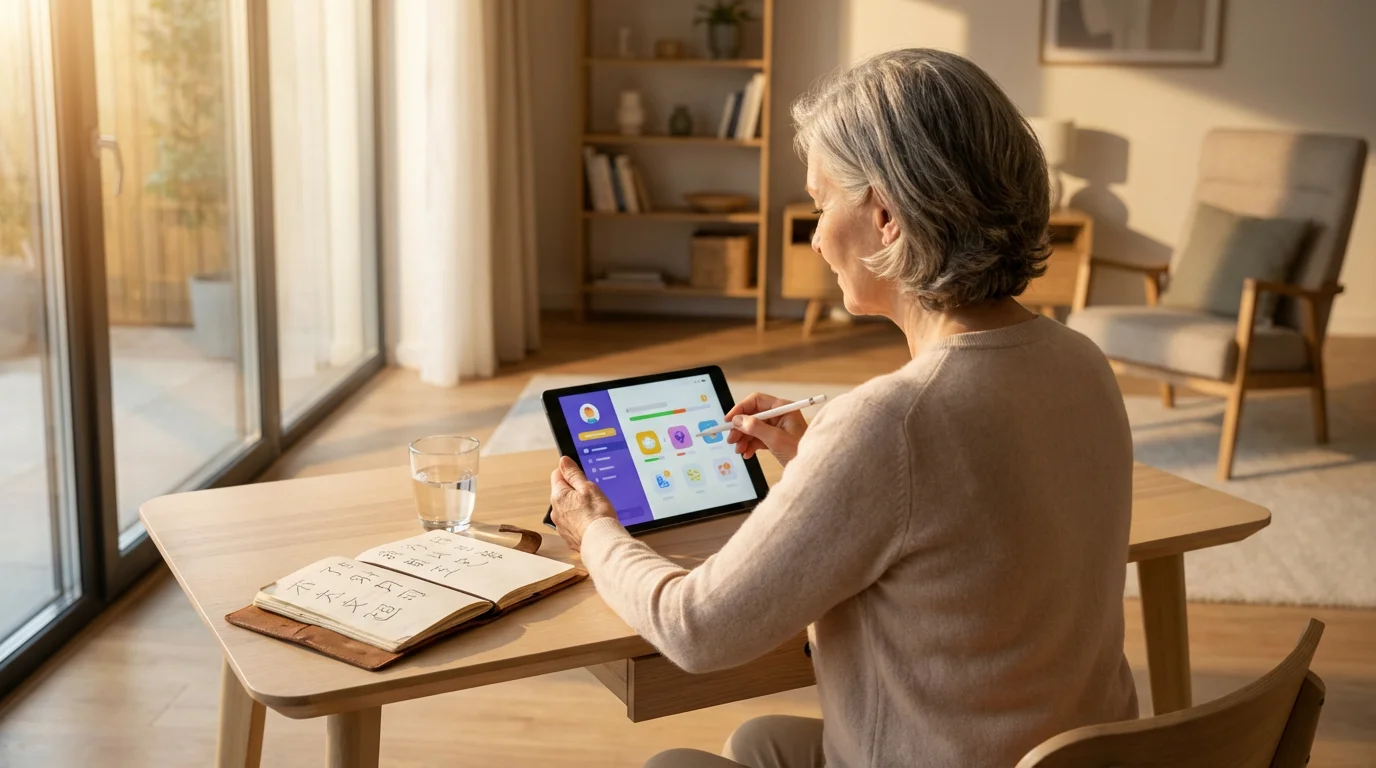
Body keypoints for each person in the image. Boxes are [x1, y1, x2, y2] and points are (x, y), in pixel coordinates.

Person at [549, 48, 1137, 768]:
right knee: (760, 740)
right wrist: (815, 461)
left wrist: (595, 532)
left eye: (822, 201)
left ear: (885, 214)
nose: (818, 233)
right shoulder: (1082, 361)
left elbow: (696, 629)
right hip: (1061, 754)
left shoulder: (892, 421)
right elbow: (971, 526)